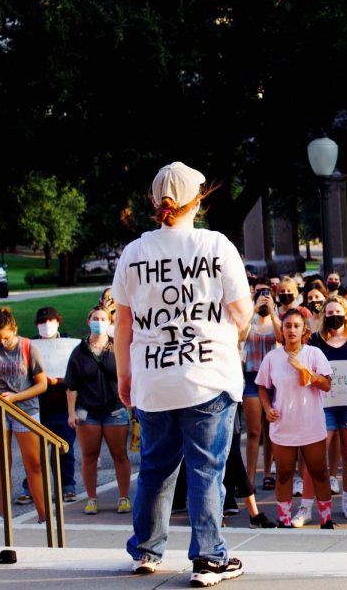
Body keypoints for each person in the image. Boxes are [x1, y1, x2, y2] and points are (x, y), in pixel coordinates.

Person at [113, 161, 252, 585]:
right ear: (199, 200)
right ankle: (209, 557)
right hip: (208, 374)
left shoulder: (135, 252)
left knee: (155, 468)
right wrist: (237, 332)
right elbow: (242, 311)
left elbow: (122, 322)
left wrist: (124, 375)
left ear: (156, 202)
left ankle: (147, 550)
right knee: (207, 469)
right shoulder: (215, 246)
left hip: (154, 377)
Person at [255, 309, 334, 529]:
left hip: (311, 424)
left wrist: (304, 369)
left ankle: (326, 519)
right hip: (283, 425)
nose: (291, 330)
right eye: (287, 325)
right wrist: (267, 407)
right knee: (284, 473)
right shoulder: (272, 357)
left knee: (319, 471)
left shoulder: (314, 354)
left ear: (304, 330)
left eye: (296, 326)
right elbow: (261, 387)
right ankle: (284, 519)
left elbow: (326, 384)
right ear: (282, 329)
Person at [66, 306, 131, 515]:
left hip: (114, 409)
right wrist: (71, 412)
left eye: (103, 319)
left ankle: (123, 497)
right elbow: (71, 385)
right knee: (89, 455)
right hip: (88, 410)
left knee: (120, 454)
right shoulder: (79, 351)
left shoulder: (117, 347)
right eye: (95, 318)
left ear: (110, 323)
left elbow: (130, 374)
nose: (99, 322)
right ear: (88, 321)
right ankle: (92, 498)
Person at [0, 307, 49, 523]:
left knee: (34, 464)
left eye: (6, 337)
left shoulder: (28, 347)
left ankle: (44, 517)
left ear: (15, 329)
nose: (2, 343)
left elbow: (42, 385)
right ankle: (3, 517)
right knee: (2, 464)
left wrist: (16, 397)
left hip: (26, 409)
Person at [308, 295, 347, 520]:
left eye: (338, 312)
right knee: (318, 454)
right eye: (329, 313)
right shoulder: (315, 341)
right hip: (324, 404)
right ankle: (311, 504)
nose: (334, 317)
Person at [17, 306, 77, 505]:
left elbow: (74, 376)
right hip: (36, 406)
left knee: (64, 449)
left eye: (50, 321)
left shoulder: (69, 344)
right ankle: (31, 487)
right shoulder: (29, 346)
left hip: (62, 405)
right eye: (42, 322)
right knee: (35, 452)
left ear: (58, 321)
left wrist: (57, 382)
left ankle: (68, 486)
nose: (46, 326)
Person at [241, 277, 283, 496]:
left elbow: (281, 337)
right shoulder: (251, 319)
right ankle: (249, 478)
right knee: (254, 431)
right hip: (251, 377)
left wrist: (273, 312)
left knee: (270, 430)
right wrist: (253, 310)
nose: (264, 302)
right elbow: (240, 335)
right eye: (261, 297)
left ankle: (267, 473)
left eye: (268, 298)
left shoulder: (276, 318)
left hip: (272, 380)